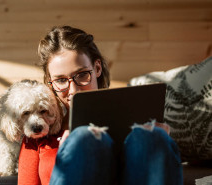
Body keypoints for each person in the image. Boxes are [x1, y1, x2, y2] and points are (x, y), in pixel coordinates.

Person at [18, 25, 183, 185]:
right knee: (85, 138)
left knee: (152, 136)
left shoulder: (136, 131)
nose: (74, 90)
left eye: (82, 75)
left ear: (97, 68)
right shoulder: (37, 133)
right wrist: (69, 155)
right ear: (50, 83)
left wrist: (161, 143)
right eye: (61, 80)